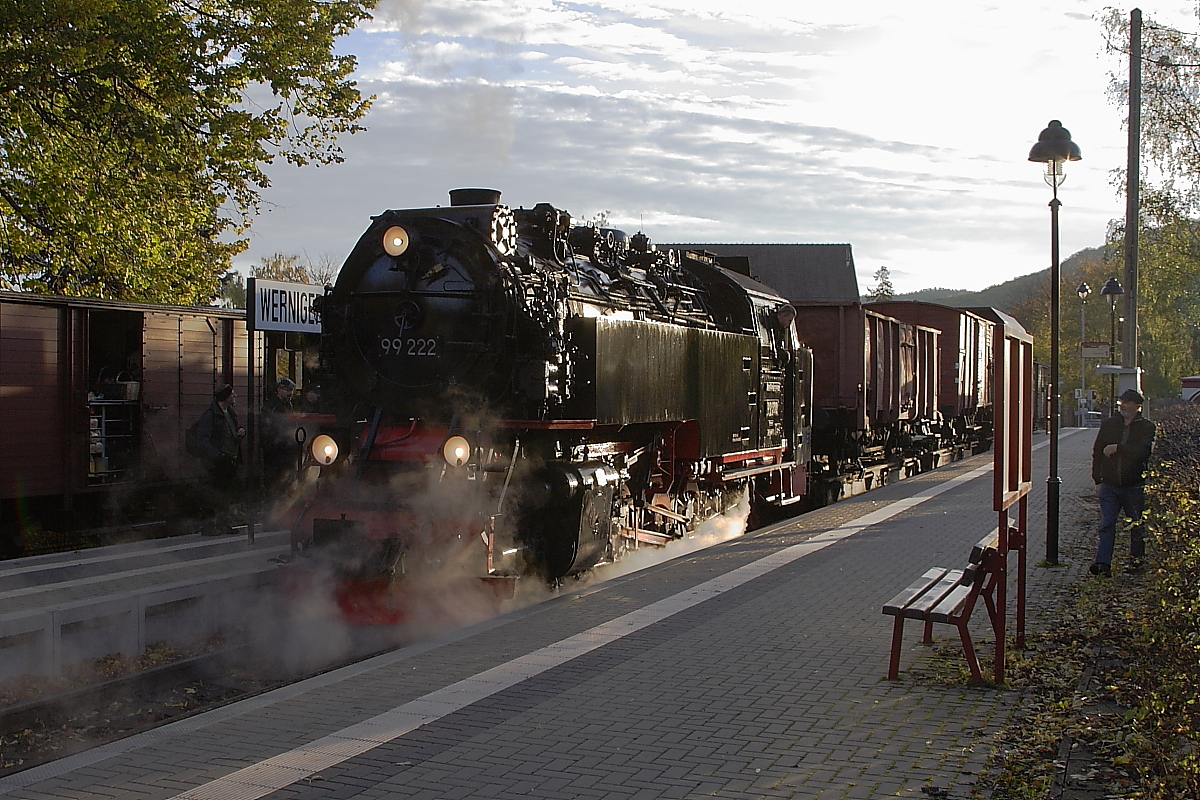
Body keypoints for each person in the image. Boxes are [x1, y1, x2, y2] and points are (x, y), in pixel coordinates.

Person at [1090, 388, 1156, 576]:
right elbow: (1097, 452)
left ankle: (1136, 562)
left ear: (1138, 406)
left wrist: (1119, 448)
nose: (1123, 405)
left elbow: (1143, 452)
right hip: (1109, 484)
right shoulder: (1110, 424)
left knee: (1136, 524)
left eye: (1127, 402)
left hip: (1133, 484)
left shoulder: (1146, 427)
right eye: (1122, 402)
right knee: (1107, 524)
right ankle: (1103, 564)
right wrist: (1098, 480)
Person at [192, 384, 247, 533]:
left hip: (228, 460)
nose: (235, 397)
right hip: (216, 462)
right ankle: (209, 526)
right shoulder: (210, 415)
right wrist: (218, 456)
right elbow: (202, 440)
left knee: (225, 495)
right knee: (213, 494)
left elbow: (230, 433)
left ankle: (223, 524)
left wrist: (240, 433)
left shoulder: (229, 413)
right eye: (232, 395)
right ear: (225, 397)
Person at [261, 377, 298, 489]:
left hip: (287, 449)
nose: (290, 393)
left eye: (291, 390)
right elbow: (267, 428)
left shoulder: (288, 405)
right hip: (275, 451)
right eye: (287, 390)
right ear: (279, 390)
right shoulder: (272, 406)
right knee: (274, 481)